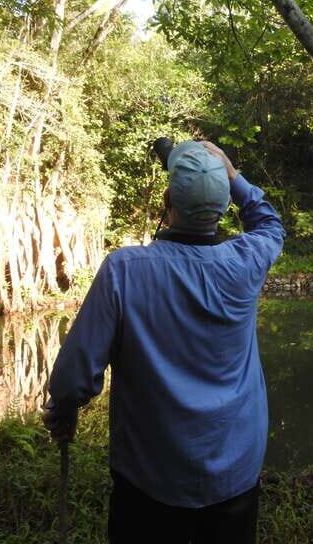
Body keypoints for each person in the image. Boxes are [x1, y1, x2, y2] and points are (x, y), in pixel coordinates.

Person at [43, 140, 284, 544]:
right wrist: (232, 174)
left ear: (167, 201)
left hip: (150, 478)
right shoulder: (245, 262)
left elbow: (74, 375)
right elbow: (270, 224)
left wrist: (65, 409)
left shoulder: (125, 269)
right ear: (224, 206)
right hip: (233, 475)